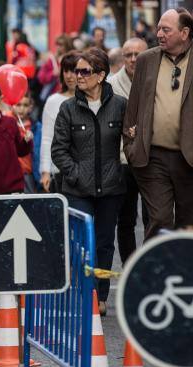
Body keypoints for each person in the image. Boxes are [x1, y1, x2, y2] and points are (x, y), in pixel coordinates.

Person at [123, 8, 193, 239]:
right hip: (153, 158)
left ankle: (190, 273)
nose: (159, 33)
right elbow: (133, 108)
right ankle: (154, 272)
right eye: (159, 28)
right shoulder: (146, 60)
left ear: (184, 32)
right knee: (159, 221)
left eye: (166, 29)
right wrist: (131, 146)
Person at [52, 48, 126, 316]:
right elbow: (58, 150)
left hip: (110, 188)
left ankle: (100, 295)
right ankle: (82, 293)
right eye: (76, 71)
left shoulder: (119, 105)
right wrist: (75, 174)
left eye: (85, 71)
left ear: (101, 75)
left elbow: (129, 142)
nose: (77, 76)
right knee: (81, 241)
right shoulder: (68, 108)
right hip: (77, 189)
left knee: (105, 243)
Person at [108, 38, 148, 263]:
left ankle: (152, 266)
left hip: (152, 158)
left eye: (138, 54)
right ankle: (130, 265)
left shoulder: (155, 79)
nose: (133, 59)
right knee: (126, 219)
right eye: (129, 55)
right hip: (123, 161)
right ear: (123, 58)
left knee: (155, 218)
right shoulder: (112, 85)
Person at [40, 52, 79, 193]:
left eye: (73, 71)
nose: (69, 76)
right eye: (66, 71)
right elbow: (47, 138)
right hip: (60, 171)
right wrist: (45, 171)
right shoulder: (53, 101)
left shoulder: (93, 100)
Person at [12, 93, 40, 193]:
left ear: (30, 107)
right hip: (12, 173)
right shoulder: (9, 124)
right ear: (12, 105)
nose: (21, 109)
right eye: (18, 105)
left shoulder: (36, 127)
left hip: (29, 172)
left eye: (25, 105)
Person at [38, 35, 75, 101]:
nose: (58, 47)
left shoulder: (74, 59)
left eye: (61, 45)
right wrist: (52, 74)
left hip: (71, 94)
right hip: (55, 94)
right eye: (57, 45)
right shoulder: (52, 60)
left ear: (67, 46)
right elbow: (41, 76)